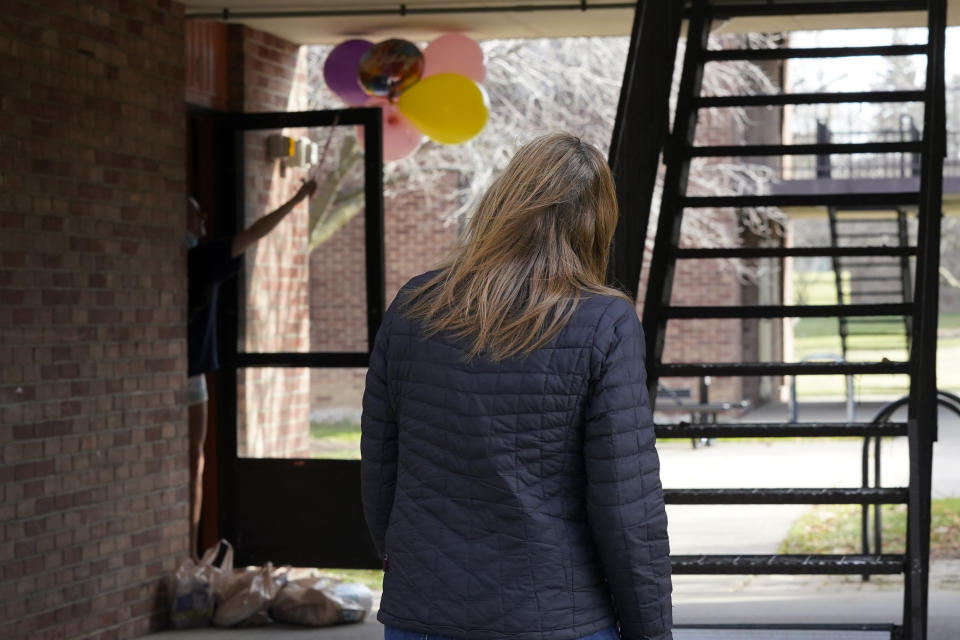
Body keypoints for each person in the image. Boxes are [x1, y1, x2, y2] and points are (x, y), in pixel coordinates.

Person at [361, 134, 672, 640]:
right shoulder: (603, 321)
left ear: (502, 203)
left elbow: (380, 470)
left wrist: (412, 567)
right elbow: (626, 504)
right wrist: (651, 633)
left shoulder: (414, 305)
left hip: (423, 612)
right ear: (596, 223)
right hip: (555, 616)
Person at [186, 179, 316, 560]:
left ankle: (190, 550)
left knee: (195, 458)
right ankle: (189, 550)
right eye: (196, 211)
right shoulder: (201, 259)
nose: (204, 216)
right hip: (190, 374)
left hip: (188, 373)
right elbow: (255, 232)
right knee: (194, 459)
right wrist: (295, 199)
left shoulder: (196, 258)